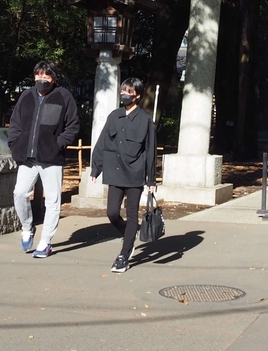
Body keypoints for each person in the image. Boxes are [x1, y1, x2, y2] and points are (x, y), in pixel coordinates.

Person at [9, 60, 80, 259]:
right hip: (27, 157)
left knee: (53, 200)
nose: (42, 79)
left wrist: (58, 144)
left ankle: (45, 241)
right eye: (38, 76)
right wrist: (15, 143)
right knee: (20, 193)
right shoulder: (27, 95)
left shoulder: (63, 96)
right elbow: (15, 122)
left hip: (51, 158)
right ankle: (27, 226)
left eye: (46, 76)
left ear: (54, 78)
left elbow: (72, 125)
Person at [90, 77, 157, 273]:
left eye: (129, 92)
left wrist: (151, 179)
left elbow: (151, 152)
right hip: (115, 171)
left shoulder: (145, 120)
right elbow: (102, 142)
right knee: (112, 212)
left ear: (137, 95)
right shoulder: (114, 116)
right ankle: (128, 233)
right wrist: (96, 167)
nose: (124, 95)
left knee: (132, 214)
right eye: (122, 91)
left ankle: (124, 254)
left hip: (135, 173)